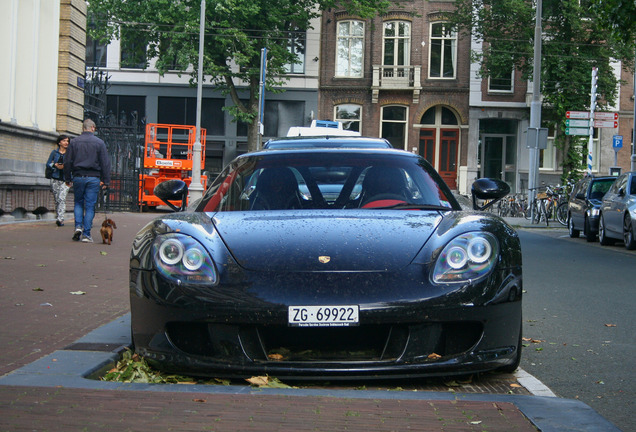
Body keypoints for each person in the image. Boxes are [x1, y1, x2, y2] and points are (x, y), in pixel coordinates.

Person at [64, 119, 111, 243]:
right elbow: (105, 163)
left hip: (78, 176)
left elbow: (67, 161)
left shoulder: (73, 142)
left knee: (78, 203)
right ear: (93, 128)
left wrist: (67, 178)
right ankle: (86, 234)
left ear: (83, 128)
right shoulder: (99, 143)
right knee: (90, 206)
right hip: (93, 177)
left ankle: (78, 227)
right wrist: (106, 180)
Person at [46, 135, 70, 226]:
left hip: (66, 179)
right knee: (57, 199)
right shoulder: (54, 153)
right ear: (59, 142)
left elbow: (73, 165)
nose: (66, 143)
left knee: (62, 198)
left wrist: (65, 166)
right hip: (55, 178)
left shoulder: (70, 153)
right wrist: (55, 165)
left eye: (67, 141)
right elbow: (48, 164)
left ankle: (60, 219)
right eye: (64, 141)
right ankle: (58, 215)